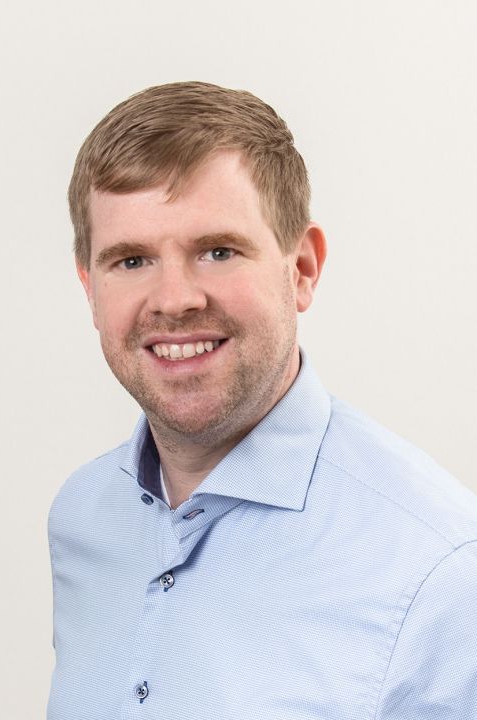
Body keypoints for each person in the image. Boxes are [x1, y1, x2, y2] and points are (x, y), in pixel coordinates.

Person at [47, 81, 477, 720]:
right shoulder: (83, 516)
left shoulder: (441, 571)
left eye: (217, 251)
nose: (174, 300)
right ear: (89, 288)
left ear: (301, 268)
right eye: (131, 261)